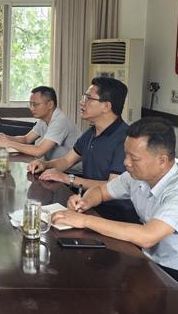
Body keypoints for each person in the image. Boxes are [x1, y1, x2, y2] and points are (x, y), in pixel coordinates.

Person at [51, 117, 178, 309]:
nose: (126, 162)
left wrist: (84, 220)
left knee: (111, 298)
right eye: (126, 154)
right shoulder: (137, 176)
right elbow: (101, 191)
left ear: (162, 161)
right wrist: (85, 201)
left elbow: (147, 237)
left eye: (134, 158)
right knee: (94, 281)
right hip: (154, 263)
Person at [27, 77, 138, 223]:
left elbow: (113, 187)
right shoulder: (91, 132)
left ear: (106, 106)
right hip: (87, 205)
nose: (82, 102)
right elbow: (67, 161)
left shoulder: (125, 139)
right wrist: (45, 165)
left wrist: (68, 179)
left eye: (88, 98)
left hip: (115, 215)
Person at [0, 86, 80, 160]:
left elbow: (39, 151)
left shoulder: (59, 121)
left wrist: (9, 143)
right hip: (53, 166)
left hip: (71, 170)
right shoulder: (43, 120)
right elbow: (26, 139)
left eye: (35, 104)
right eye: (30, 104)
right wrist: (6, 137)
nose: (31, 108)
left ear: (50, 104)